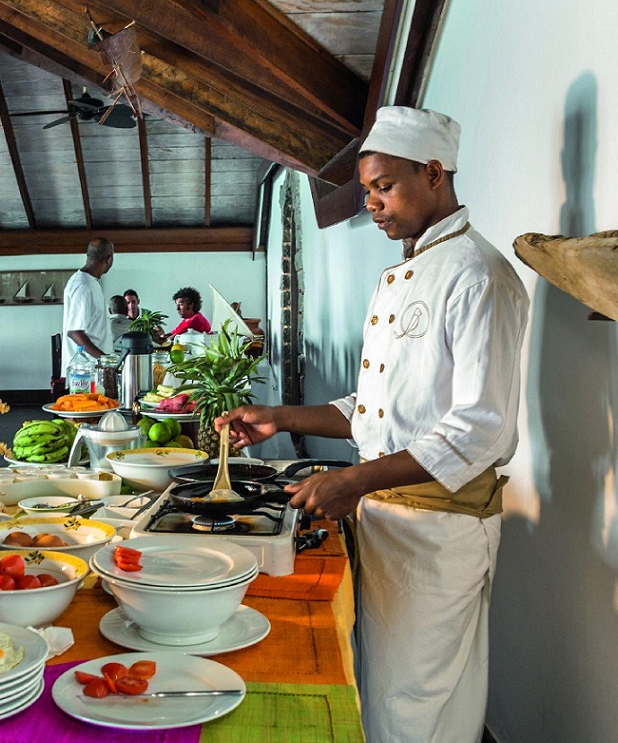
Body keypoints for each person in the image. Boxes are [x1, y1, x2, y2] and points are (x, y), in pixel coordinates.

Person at [215, 107, 528, 743]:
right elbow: (376, 409)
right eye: (367, 190)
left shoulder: (478, 275)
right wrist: (279, 417)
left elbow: (480, 428)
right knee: (387, 689)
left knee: (413, 704)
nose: (373, 204)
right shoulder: (403, 275)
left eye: (384, 186)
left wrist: (354, 480)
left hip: (440, 528)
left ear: (434, 173)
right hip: (388, 518)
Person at [61, 237, 114, 372]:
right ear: (109, 259)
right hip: (84, 372)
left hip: (93, 368)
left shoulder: (90, 282)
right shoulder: (84, 286)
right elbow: (75, 332)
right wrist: (104, 359)